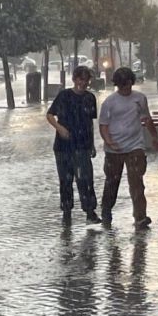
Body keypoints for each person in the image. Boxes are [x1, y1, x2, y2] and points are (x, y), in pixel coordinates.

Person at [99, 67, 158, 230]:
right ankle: (106, 210)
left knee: (137, 182)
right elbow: (103, 126)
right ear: (117, 85)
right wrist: (109, 141)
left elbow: (147, 119)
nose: (126, 88)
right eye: (122, 86)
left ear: (132, 82)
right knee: (112, 182)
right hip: (114, 150)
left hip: (135, 146)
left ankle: (140, 216)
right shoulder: (109, 102)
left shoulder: (140, 98)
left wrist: (154, 137)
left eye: (128, 85)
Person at [46, 66, 100, 226]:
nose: (84, 83)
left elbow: (90, 122)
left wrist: (92, 144)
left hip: (82, 145)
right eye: (81, 79)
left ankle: (90, 212)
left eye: (87, 80)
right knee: (66, 179)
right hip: (63, 147)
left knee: (85, 179)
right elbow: (50, 115)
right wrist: (59, 128)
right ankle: (67, 212)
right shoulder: (64, 96)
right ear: (75, 79)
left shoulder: (90, 98)